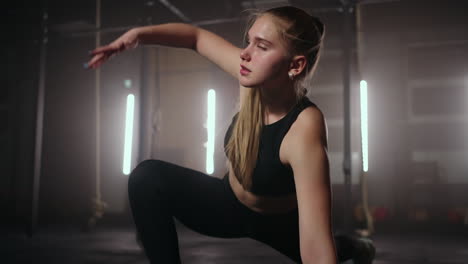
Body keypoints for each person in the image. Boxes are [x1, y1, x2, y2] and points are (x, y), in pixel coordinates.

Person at [86, 5, 375, 264]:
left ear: (296, 65)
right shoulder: (248, 72)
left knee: (333, 251)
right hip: (228, 204)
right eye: (248, 41)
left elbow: (315, 250)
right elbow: (195, 38)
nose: (246, 53)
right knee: (146, 177)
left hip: (279, 223)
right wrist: (137, 35)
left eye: (262, 46)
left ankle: (354, 247)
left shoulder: (305, 127)